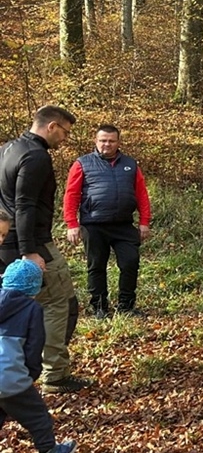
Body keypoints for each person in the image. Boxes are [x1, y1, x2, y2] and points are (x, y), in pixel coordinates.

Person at [0, 105, 87, 394]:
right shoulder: (36, 156)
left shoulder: (7, 149)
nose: (65, 139)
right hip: (33, 244)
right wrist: (29, 251)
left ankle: (13, 371)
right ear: (51, 126)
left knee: (12, 306)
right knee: (61, 303)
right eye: (65, 132)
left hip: (5, 243)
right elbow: (24, 204)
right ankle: (55, 374)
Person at [62, 124, 151, 319]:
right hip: (93, 225)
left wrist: (144, 221)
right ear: (96, 141)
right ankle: (99, 307)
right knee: (96, 266)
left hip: (123, 225)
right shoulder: (82, 163)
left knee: (130, 262)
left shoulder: (130, 165)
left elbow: (141, 194)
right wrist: (72, 224)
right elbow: (71, 194)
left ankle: (126, 306)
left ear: (118, 142)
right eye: (103, 140)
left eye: (111, 141)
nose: (107, 144)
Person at [0, 257, 78, 453]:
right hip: (10, 377)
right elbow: (34, 349)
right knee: (37, 417)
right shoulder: (32, 309)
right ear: (33, 287)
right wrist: (31, 374)